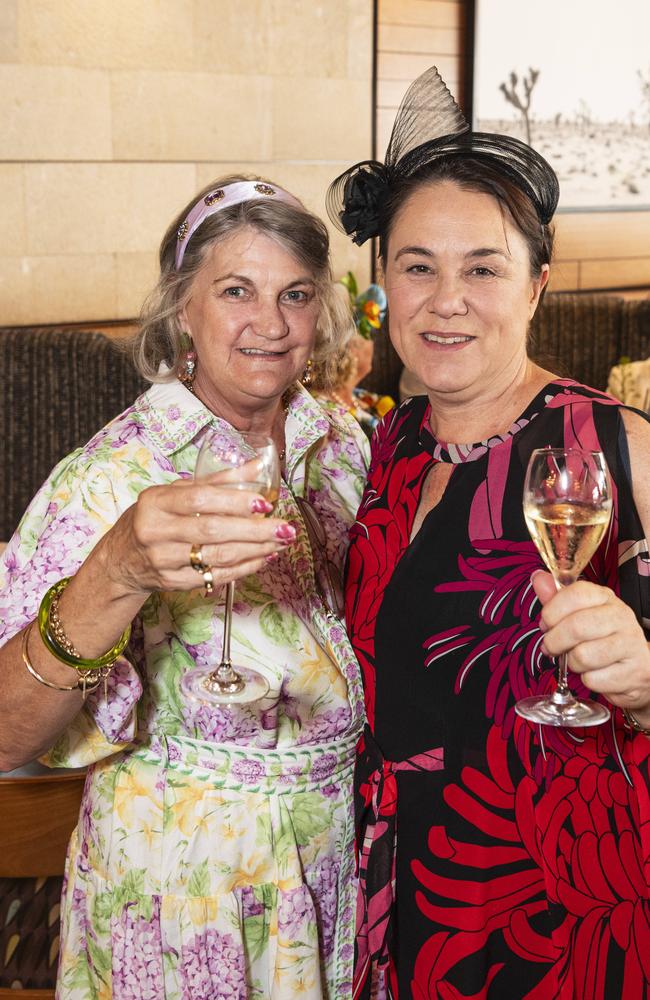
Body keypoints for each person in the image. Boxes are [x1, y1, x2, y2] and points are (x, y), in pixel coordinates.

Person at [0, 175, 369, 998]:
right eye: (236, 290)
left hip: (331, 870)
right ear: (180, 312)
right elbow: (3, 735)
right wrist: (117, 570)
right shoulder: (108, 479)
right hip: (188, 893)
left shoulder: (342, 442)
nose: (270, 324)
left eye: (296, 294)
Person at [327, 68, 650, 998]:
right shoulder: (389, 443)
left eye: (483, 268)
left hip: (564, 918)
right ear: (384, 279)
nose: (447, 299)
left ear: (537, 285)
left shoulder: (614, 447)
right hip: (401, 899)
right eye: (418, 265)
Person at [312, 276, 395, 437]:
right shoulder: (326, 415)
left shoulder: (364, 398)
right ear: (352, 350)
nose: (373, 343)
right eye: (368, 336)